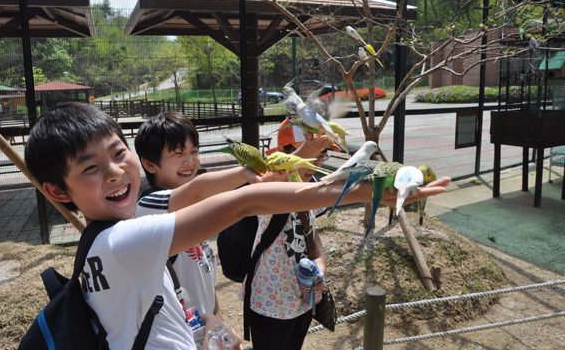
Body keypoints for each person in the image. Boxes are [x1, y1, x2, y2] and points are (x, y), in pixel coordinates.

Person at [24, 103, 449, 350]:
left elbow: (194, 191)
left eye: (119, 153)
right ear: (58, 191)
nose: (116, 172)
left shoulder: (113, 229)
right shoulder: (123, 241)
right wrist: (364, 191)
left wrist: (251, 173)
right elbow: (246, 204)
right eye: (92, 169)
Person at [134, 111, 285, 347]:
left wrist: (218, 318)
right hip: (177, 334)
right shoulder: (149, 208)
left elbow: (203, 274)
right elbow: (198, 188)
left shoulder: (195, 207)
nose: (190, 161)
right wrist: (245, 173)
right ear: (149, 164)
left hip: (204, 329)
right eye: (178, 154)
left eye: (194, 152)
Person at [239, 119, 339, 350]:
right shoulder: (271, 187)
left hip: (302, 298)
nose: (315, 164)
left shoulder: (312, 184)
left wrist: (321, 263)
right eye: (309, 156)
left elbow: (310, 232)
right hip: (269, 302)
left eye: (321, 155)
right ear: (286, 154)